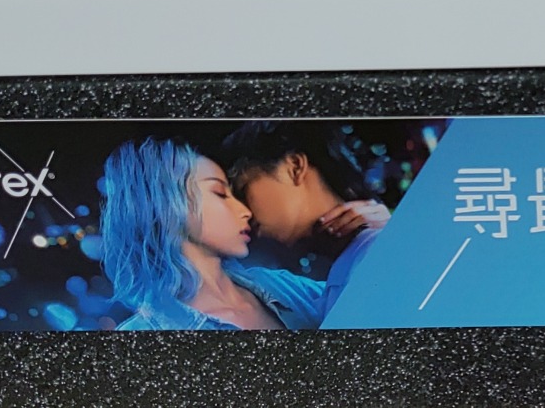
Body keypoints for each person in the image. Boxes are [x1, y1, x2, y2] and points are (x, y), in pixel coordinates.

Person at [98, 138, 335, 330]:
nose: (244, 211)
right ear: (166, 206)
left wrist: (359, 231)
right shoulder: (141, 333)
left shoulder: (278, 284)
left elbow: (355, 300)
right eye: (220, 193)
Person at [220, 120, 392, 277]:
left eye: (242, 190)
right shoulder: (294, 272)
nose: (238, 208)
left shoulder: (378, 244)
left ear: (294, 167)